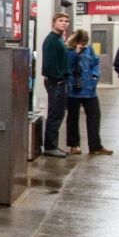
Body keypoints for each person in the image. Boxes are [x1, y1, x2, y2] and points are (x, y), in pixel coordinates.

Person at [64, 30, 112, 156]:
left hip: (89, 88)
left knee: (95, 116)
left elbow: (95, 63)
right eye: (81, 42)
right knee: (73, 118)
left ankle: (95, 146)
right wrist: (76, 53)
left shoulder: (89, 49)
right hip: (73, 89)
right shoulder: (68, 50)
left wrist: (95, 77)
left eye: (85, 42)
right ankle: (74, 145)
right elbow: (67, 65)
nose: (84, 45)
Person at [40, 12, 72, 157]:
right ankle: (50, 146)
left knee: (58, 113)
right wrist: (58, 77)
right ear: (54, 22)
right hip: (56, 82)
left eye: (66, 21)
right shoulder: (51, 40)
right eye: (61, 20)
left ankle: (52, 145)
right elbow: (49, 64)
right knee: (55, 114)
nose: (64, 23)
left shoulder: (59, 39)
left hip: (59, 81)